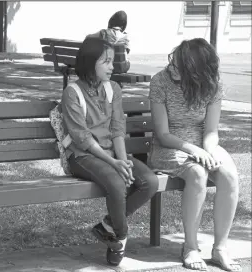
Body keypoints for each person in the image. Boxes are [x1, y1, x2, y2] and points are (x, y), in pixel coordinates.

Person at [61, 37, 159, 266]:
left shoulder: (113, 88)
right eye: (105, 61)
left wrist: (123, 163)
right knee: (116, 183)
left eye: (112, 61)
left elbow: (117, 129)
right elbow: (82, 138)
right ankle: (120, 239)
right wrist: (114, 164)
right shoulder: (72, 93)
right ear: (89, 62)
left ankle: (107, 226)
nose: (111, 66)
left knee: (149, 182)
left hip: (113, 155)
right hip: (82, 156)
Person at [148, 38, 241, 272]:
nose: (172, 67)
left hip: (202, 144)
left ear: (196, 71)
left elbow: (210, 131)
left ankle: (220, 248)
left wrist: (209, 151)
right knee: (198, 173)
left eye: (180, 65)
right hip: (168, 148)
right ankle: (190, 247)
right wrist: (194, 151)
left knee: (229, 174)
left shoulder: (213, 86)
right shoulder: (160, 81)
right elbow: (162, 134)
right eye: (173, 61)